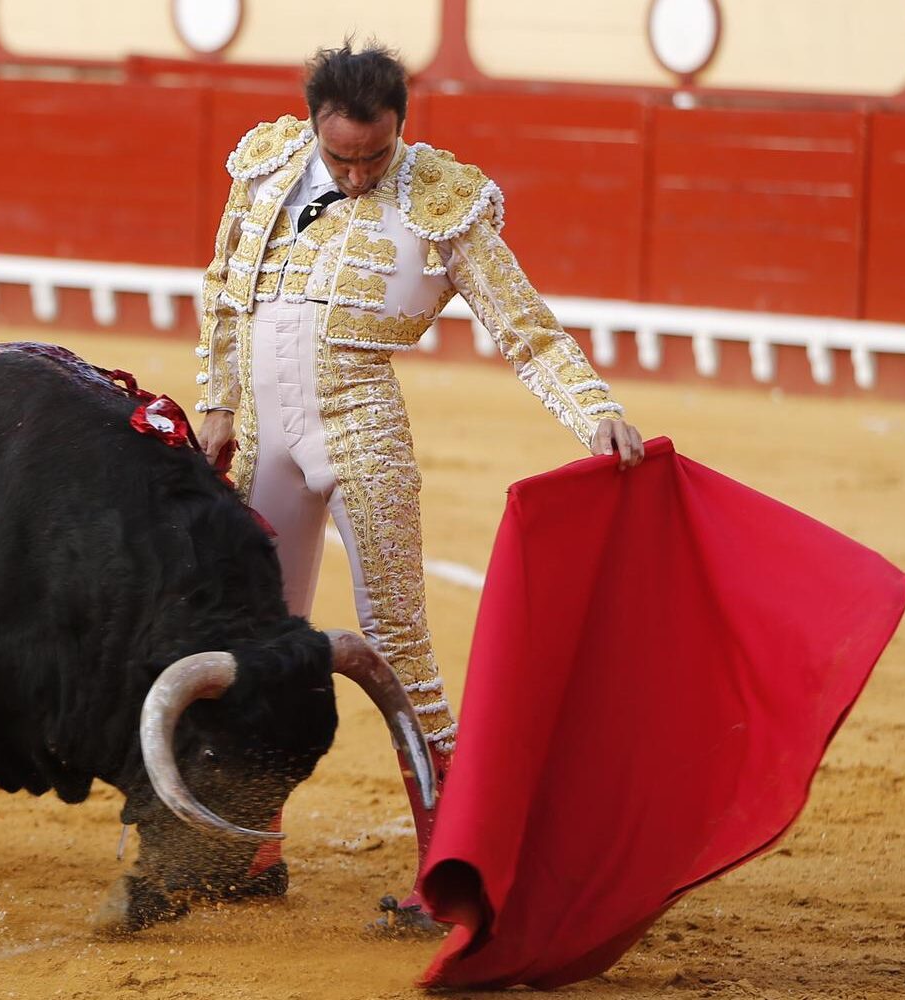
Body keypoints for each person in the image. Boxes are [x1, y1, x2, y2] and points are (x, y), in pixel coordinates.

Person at [192, 40, 644, 926]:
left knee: (398, 640)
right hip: (264, 441)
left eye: (375, 156)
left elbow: (527, 328)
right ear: (315, 123)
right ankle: (254, 842)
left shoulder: (442, 201)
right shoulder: (266, 168)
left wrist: (594, 411)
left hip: (361, 431)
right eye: (342, 157)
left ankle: (451, 871)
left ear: (402, 128)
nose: (358, 177)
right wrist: (215, 403)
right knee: (256, 635)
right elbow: (223, 293)